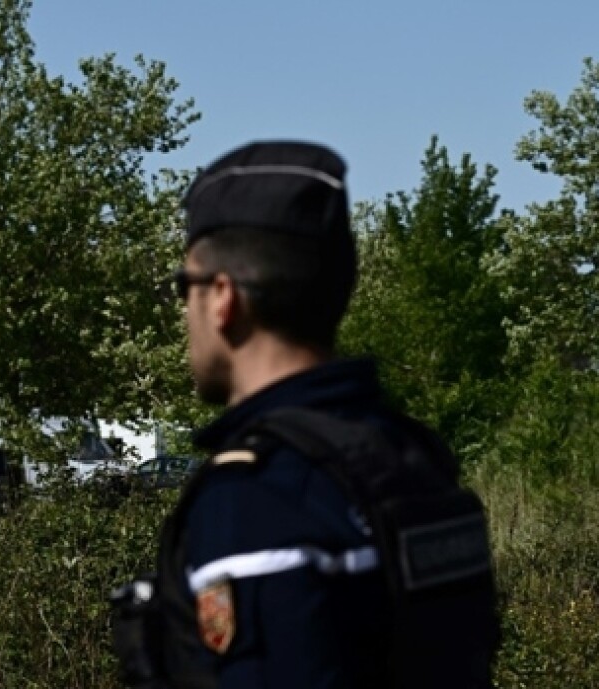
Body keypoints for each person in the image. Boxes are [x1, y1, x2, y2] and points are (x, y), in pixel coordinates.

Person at [109, 141, 498, 688]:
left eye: (184, 287)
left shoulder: (258, 499)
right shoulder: (405, 453)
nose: (183, 312)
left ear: (223, 298)